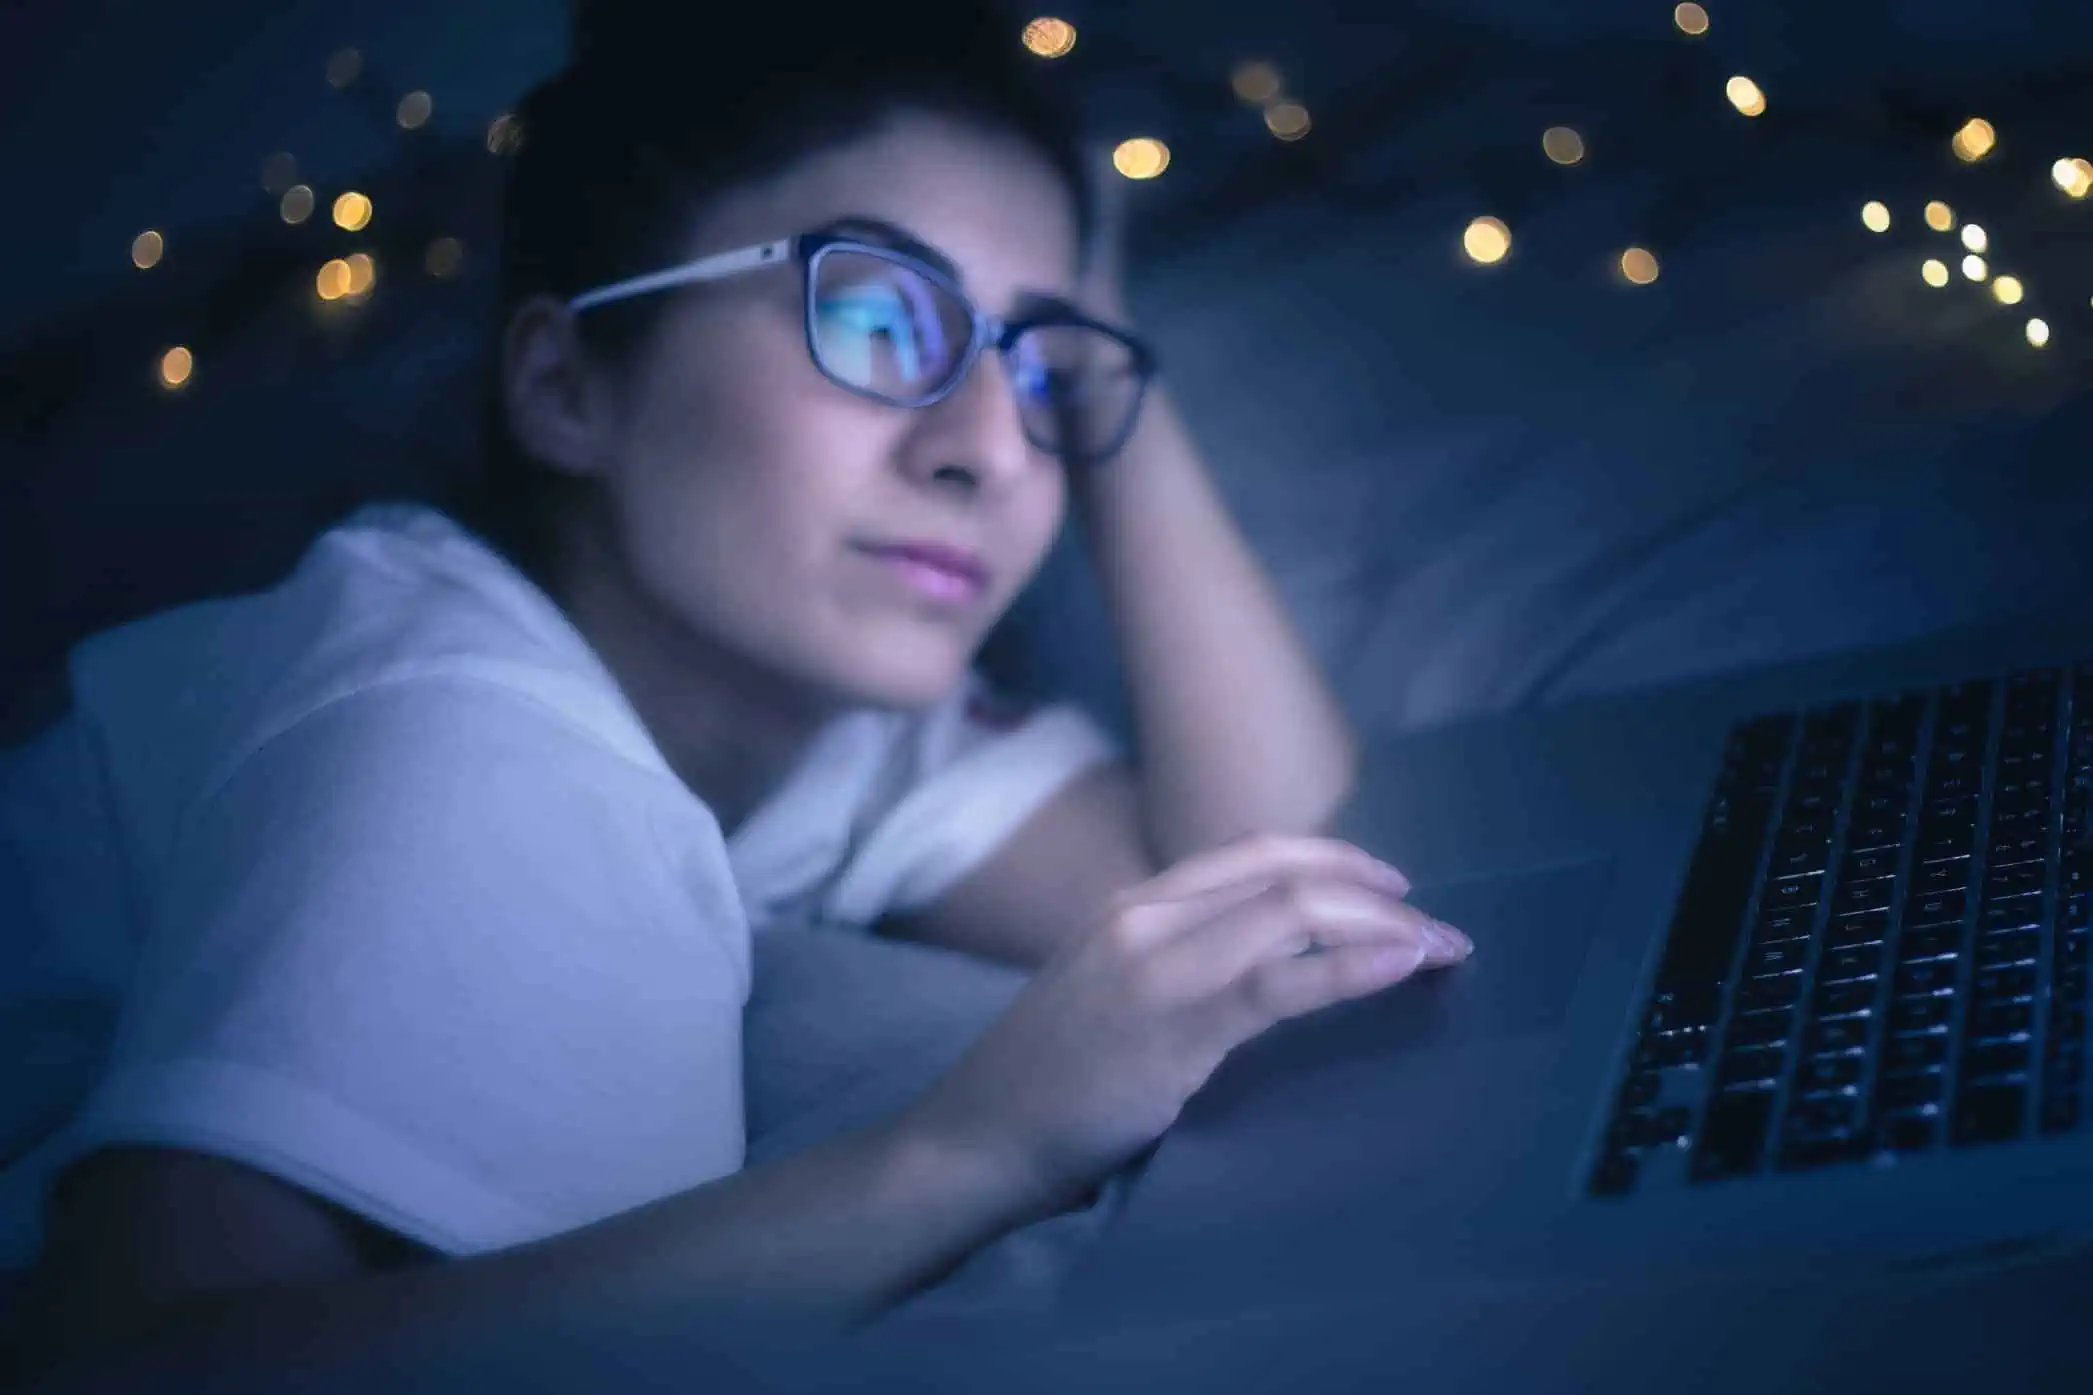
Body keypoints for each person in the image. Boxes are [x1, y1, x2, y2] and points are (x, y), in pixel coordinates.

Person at [0, 1, 1473, 1385]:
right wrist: (972, 1147)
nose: (995, 453)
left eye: (1037, 381)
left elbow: (1289, 902)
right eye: (885, 320)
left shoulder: (841, 728)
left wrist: (1103, 354)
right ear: (568, 386)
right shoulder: (447, 719)